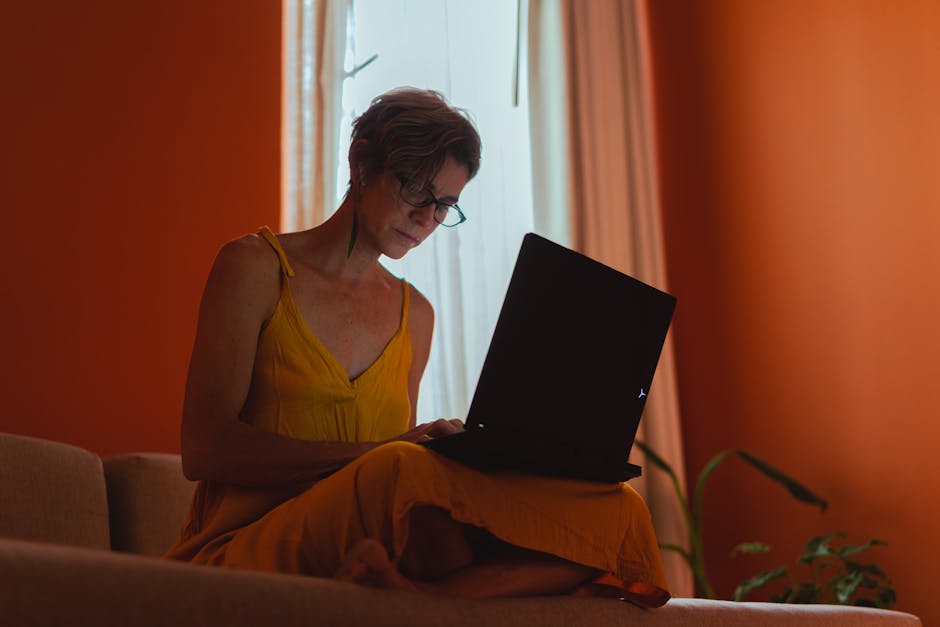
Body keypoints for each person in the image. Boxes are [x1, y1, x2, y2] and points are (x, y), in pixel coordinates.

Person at [165, 87, 669, 604]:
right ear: (362, 161)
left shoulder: (417, 314)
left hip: (368, 534)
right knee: (403, 471)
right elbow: (205, 450)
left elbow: (396, 489)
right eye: (416, 190)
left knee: (617, 506)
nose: (428, 217)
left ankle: (425, 595)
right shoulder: (255, 268)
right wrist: (382, 452)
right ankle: (440, 595)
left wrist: (465, 456)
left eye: (446, 204)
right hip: (246, 541)